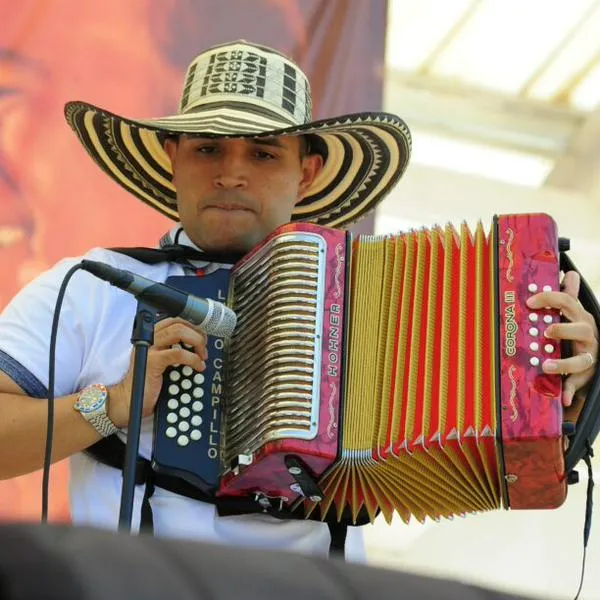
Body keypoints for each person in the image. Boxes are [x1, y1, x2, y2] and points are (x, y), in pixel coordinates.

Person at [0, 40, 597, 562]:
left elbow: (516, 451)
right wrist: (114, 404)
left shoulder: (381, 301)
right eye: (208, 149)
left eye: (262, 154)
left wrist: (562, 379)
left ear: (306, 173)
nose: (232, 174)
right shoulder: (89, 287)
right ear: (172, 157)